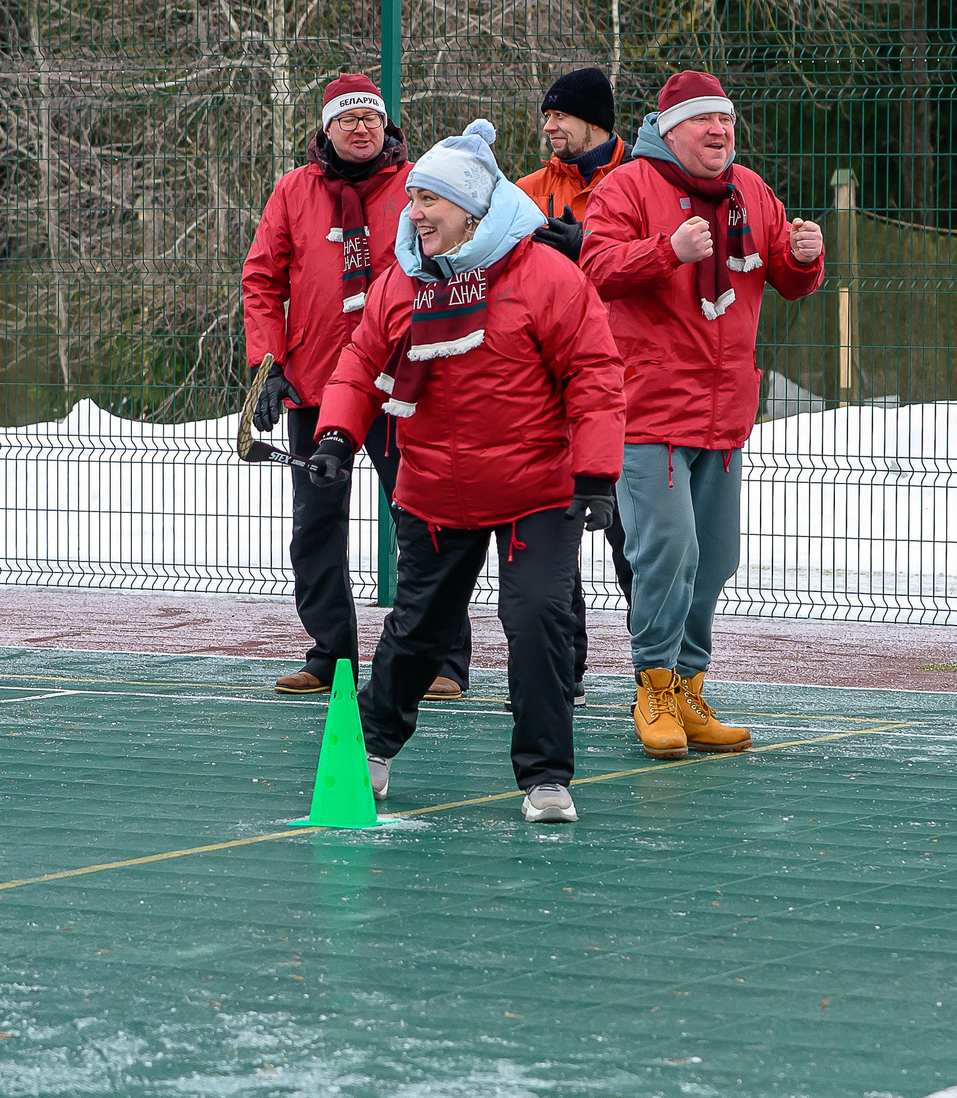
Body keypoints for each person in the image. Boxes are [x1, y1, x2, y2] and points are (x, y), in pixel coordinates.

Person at [314, 119, 624, 824]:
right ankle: (370, 747)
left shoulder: (546, 276)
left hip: (537, 489)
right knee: (420, 628)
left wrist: (596, 473)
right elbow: (360, 365)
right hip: (435, 488)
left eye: (429, 200)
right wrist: (335, 435)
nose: (415, 213)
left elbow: (594, 374)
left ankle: (546, 776)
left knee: (539, 620)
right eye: (413, 199)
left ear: (472, 208)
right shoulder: (403, 282)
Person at [584, 72, 824, 759]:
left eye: (726, 119)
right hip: (650, 413)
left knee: (715, 558)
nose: (719, 131)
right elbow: (595, 267)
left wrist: (804, 257)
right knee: (668, 551)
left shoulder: (751, 190)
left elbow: (783, 275)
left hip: (723, 415)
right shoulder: (627, 186)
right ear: (669, 130)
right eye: (703, 120)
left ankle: (689, 687)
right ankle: (653, 686)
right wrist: (667, 251)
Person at [241, 72, 472, 700]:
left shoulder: (421, 183)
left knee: (424, 520)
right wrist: (269, 363)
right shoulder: (293, 191)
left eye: (371, 117)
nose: (362, 128)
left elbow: (458, 263)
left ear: (385, 123)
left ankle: (444, 658)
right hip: (316, 382)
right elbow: (261, 279)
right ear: (327, 129)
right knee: (316, 526)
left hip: (403, 380)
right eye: (348, 119)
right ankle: (330, 653)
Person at [515, 66, 634, 705]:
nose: (549, 127)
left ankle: (658, 675)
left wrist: (586, 246)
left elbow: (658, 262)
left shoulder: (642, 182)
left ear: (595, 120)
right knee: (552, 539)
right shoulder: (528, 191)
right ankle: (564, 673)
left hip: (624, 385)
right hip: (544, 386)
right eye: (546, 117)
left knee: (633, 540)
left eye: (559, 115)